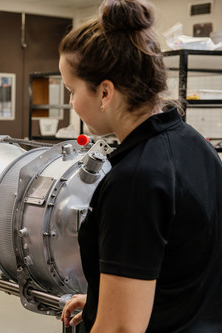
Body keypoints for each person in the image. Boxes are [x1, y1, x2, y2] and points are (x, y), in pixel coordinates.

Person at [58, 0, 222, 332]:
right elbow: (184, 266)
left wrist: (113, 313)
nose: (71, 103)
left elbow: (121, 329)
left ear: (105, 92)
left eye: (72, 90)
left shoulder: (135, 181)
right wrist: (108, 297)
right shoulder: (195, 145)